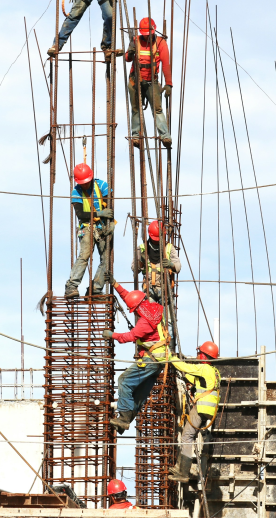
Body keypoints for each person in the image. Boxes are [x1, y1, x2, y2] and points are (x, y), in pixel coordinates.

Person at [105, 279, 169, 431]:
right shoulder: (153, 308)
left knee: (124, 381)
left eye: (132, 310)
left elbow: (129, 337)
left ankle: (124, 417)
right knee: (139, 394)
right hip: (159, 361)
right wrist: (116, 285)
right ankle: (125, 420)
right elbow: (131, 297)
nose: (132, 311)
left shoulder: (144, 323)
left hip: (150, 360)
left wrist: (111, 335)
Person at [168, 342, 221, 482]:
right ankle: (179, 466)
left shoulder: (203, 367)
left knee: (187, 437)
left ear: (203, 355)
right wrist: (183, 375)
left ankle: (183, 472)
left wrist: (170, 357)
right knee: (189, 435)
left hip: (201, 407)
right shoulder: (214, 371)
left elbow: (185, 366)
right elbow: (197, 380)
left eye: (199, 353)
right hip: (208, 410)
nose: (197, 355)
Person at [66, 163, 113, 298]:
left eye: (86, 182)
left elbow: (109, 207)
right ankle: (71, 286)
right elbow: (80, 214)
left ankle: (96, 289)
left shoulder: (102, 186)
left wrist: (111, 221)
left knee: (107, 259)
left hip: (102, 228)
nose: (85, 185)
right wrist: (99, 214)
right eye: (83, 183)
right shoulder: (76, 192)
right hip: (87, 228)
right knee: (84, 256)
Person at [125, 18, 173, 148]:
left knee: (157, 110)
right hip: (135, 81)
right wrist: (130, 52)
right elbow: (127, 59)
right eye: (144, 35)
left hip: (152, 82)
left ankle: (165, 136)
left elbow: (166, 65)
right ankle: (135, 136)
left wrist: (168, 84)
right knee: (136, 110)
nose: (146, 37)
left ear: (153, 31)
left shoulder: (160, 43)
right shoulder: (136, 41)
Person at [132, 220, 181, 304]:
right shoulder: (142, 248)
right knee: (151, 315)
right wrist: (141, 262)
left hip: (165, 289)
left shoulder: (169, 248)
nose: (157, 241)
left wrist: (171, 265)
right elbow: (134, 269)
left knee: (167, 317)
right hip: (149, 289)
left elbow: (178, 267)